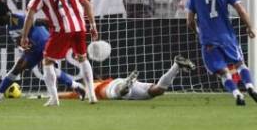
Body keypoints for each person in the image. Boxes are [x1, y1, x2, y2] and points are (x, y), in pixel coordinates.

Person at [20, 0, 98, 106]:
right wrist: (93, 25)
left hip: (61, 29)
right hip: (80, 27)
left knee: (47, 61)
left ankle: (54, 98)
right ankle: (92, 95)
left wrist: (24, 36)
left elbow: (30, 14)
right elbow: (87, 4)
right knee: (82, 57)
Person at [186, 0, 257, 106]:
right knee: (239, 64)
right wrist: (250, 27)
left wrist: (198, 33)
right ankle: (250, 86)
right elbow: (241, 10)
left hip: (208, 40)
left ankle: (237, 94)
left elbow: (190, 21)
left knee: (223, 72)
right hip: (227, 36)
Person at [0, 0, 85, 104]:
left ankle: (73, 88)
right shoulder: (9, 26)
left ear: (6, 14)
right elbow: (19, 41)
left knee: (48, 69)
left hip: (43, 42)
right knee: (19, 67)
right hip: (33, 49)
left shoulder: (20, 18)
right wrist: (24, 47)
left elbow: (38, 25)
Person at [59, 55, 195, 101]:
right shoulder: (98, 81)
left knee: (115, 93)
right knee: (158, 90)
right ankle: (176, 66)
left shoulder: (83, 89)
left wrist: (54, 95)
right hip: (119, 82)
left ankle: (125, 87)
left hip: (108, 88)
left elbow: (65, 95)